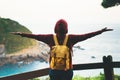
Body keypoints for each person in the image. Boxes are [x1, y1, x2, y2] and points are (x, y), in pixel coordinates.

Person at [11, 19, 113, 80]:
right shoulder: (71, 38)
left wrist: (22, 34)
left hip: (54, 71)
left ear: (55, 28)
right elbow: (86, 36)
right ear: (66, 29)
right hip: (67, 71)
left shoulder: (50, 38)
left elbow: (35, 36)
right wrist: (100, 31)